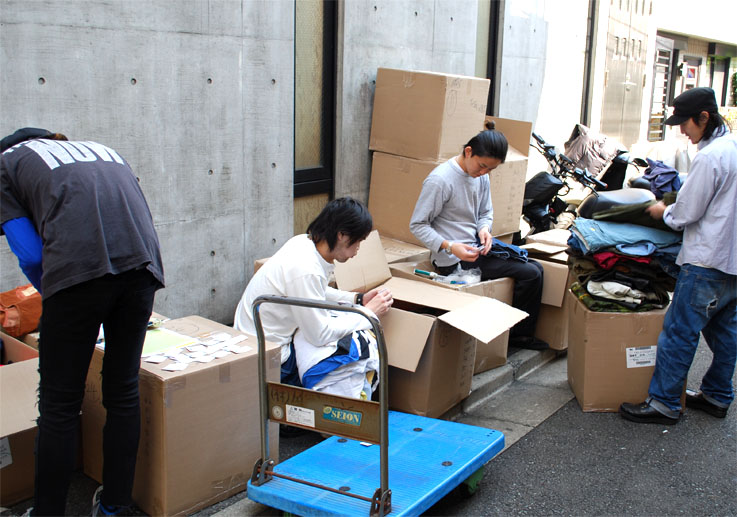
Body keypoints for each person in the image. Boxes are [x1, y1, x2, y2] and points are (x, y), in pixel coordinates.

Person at [0, 128, 165, 516]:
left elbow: (31, 254)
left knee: (59, 405)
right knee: (122, 390)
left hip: (77, 273)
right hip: (142, 266)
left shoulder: (5, 165)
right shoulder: (99, 149)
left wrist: (56, 297)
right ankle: (114, 507)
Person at [619, 87, 736, 425]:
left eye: (685, 123)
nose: (682, 130)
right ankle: (717, 395)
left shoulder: (710, 157)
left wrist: (663, 211)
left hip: (706, 260)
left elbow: (687, 212)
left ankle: (664, 403)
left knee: (679, 332)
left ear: (704, 117)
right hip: (732, 261)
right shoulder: (733, 147)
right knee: (725, 332)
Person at [233, 197, 393, 399]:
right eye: (358, 241)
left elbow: (317, 291)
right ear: (342, 235)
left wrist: (358, 299)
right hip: (269, 358)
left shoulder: (303, 242)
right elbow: (319, 335)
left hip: (253, 339)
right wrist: (368, 314)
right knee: (343, 361)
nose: (358, 249)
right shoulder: (306, 268)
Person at [409, 121, 547, 349]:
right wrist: (449, 246)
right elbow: (417, 225)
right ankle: (519, 337)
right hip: (453, 259)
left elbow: (485, 212)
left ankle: (519, 334)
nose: (484, 173)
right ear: (468, 151)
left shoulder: (480, 176)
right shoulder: (440, 180)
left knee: (537, 268)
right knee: (531, 273)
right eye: (482, 166)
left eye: (490, 170)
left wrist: (484, 229)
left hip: (476, 248)